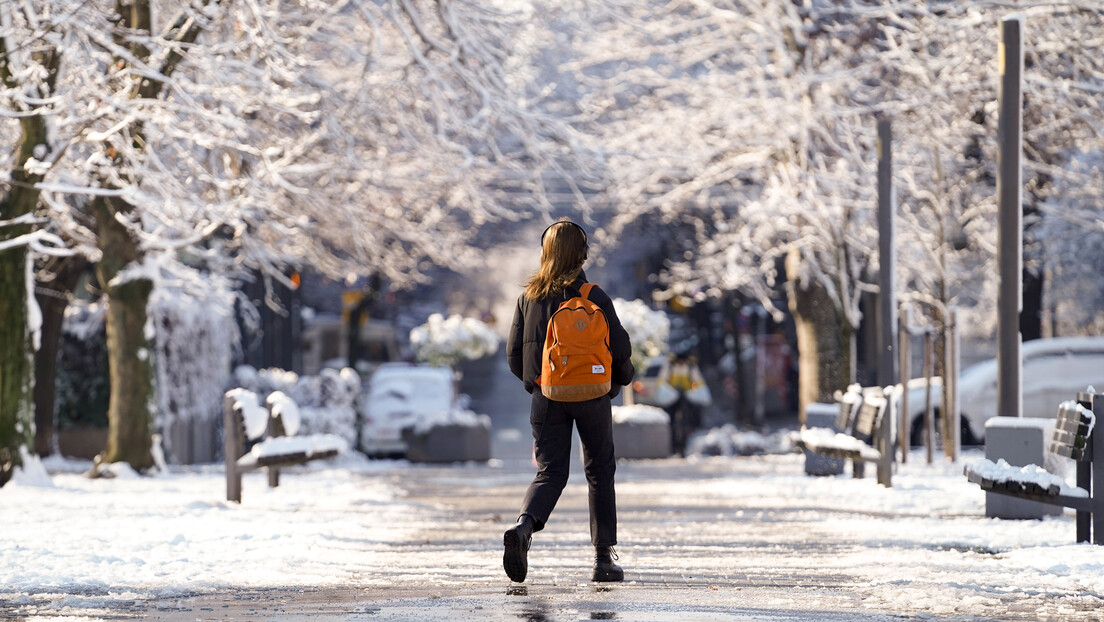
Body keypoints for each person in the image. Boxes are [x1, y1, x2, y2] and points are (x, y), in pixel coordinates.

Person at [503, 219, 635, 583]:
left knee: (551, 472)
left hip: (546, 396)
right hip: (592, 395)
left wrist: (539, 384)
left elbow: (515, 356)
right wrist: (618, 381)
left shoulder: (527, 297)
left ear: (544, 252)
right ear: (582, 253)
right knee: (599, 473)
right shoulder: (594, 295)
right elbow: (620, 349)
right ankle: (603, 560)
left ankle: (524, 528)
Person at [659, 350, 707, 456]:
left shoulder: (691, 367)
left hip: (686, 397)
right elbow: (662, 380)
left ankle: (683, 446)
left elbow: (698, 381)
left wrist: (698, 392)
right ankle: (673, 446)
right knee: (671, 422)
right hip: (672, 399)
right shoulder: (670, 367)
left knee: (686, 421)